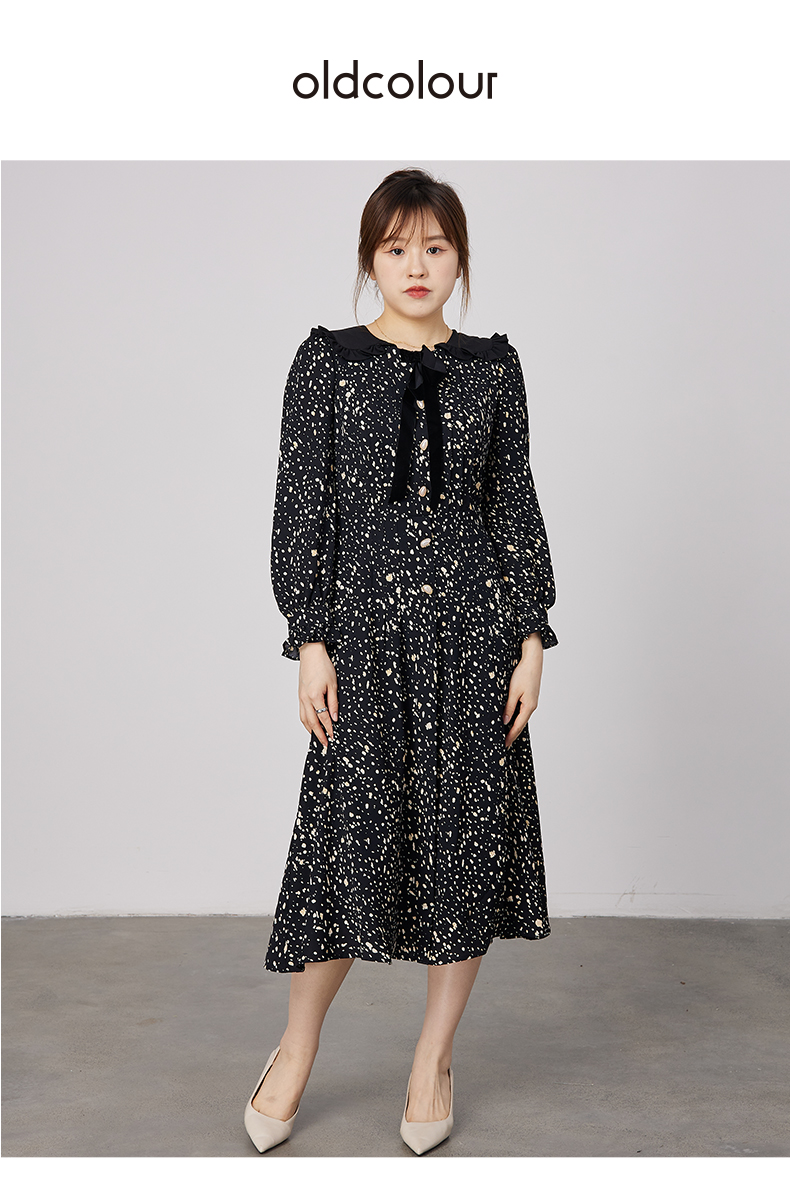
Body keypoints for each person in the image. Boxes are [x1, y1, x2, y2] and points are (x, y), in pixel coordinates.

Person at [244, 168, 559, 1156]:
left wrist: (530, 639)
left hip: (474, 646)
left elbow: (512, 507)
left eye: (434, 247)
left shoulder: (494, 369)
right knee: (345, 850)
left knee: (465, 851)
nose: (416, 266)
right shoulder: (326, 364)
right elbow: (302, 507)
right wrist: (310, 640)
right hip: (365, 647)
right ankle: (297, 1047)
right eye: (395, 248)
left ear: (459, 257)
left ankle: (433, 1057)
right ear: (369, 259)